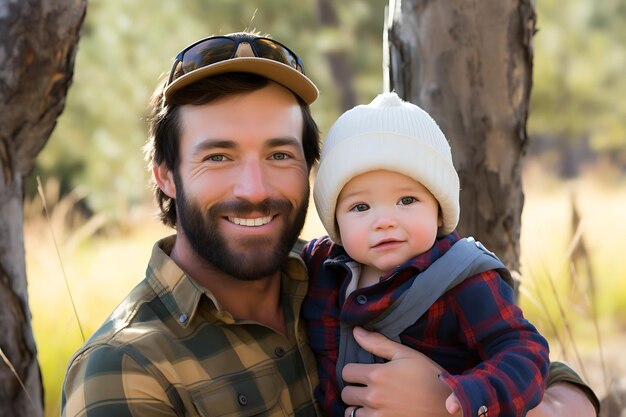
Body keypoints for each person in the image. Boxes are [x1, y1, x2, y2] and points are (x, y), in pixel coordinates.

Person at [60, 31, 599, 417]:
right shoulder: (126, 368)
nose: (254, 188)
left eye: (279, 155)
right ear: (167, 175)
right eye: (218, 157)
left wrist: (447, 398)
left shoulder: (336, 271)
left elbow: (544, 371)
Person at [302, 92, 550, 417]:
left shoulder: (461, 279)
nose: (385, 221)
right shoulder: (320, 268)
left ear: (438, 209)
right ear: (335, 221)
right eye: (360, 207)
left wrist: (470, 397)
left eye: (407, 200)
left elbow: (524, 352)